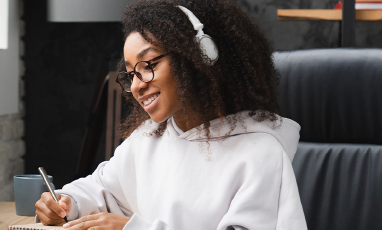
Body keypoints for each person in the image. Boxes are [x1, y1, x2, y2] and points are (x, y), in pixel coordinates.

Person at [35, 0, 307, 229]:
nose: (137, 85)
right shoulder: (146, 140)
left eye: (149, 64)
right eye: (130, 74)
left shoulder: (260, 153)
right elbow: (100, 189)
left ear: (198, 56)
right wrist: (66, 201)